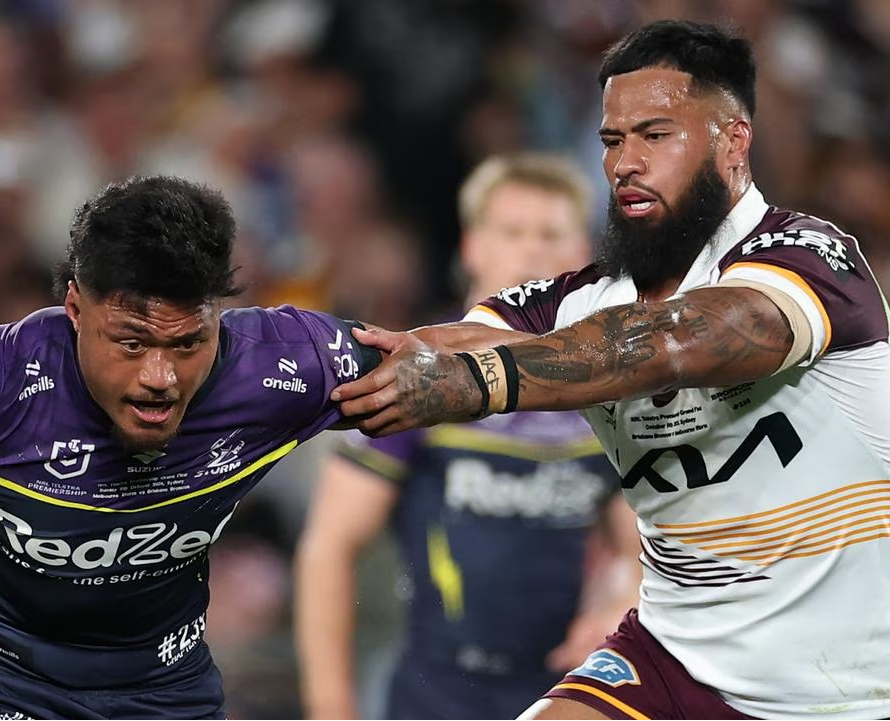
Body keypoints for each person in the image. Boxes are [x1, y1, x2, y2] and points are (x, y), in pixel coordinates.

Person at [330, 19, 890, 721]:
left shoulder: (810, 256)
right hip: (670, 657)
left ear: (732, 141)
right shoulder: (581, 298)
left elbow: (685, 340)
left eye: (655, 135)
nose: (625, 161)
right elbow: (431, 346)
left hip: (840, 688)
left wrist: (487, 381)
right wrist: (254, 374)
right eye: (612, 140)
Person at [0, 174, 385, 720]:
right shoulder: (11, 378)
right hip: (14, 687)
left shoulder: (281, 366)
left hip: (170, 694)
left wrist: (542, 325)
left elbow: (443, 362)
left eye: (187, 344)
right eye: (131, 343)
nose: (160, 377)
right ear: (75, 309)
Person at [295, 152, 640, 720]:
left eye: (551, 233)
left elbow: (642, 547)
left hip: (567, 692)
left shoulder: (604, 386)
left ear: (581, 255)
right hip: (440, 695)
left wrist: (619, 598)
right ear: (472, 247)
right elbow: (328, 546)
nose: (532, 251)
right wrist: (330, 709)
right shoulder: (414, 371)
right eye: (512, 232)